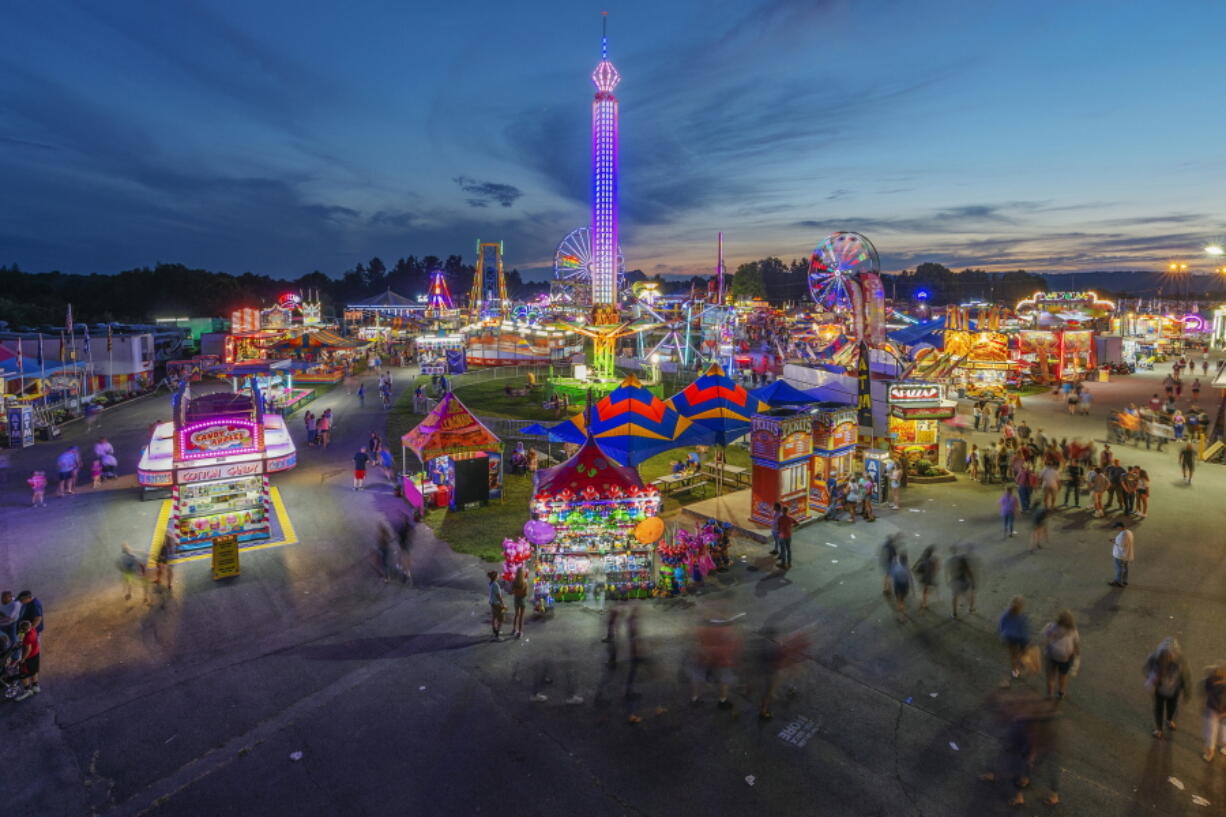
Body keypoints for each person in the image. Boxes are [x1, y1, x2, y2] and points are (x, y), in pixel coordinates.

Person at [1144, 637, 1190, 739]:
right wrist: (1152, 678)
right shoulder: (1153, 659)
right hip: (1159, 690)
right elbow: (1146, 669)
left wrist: (1186, 690)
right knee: (1159, 709)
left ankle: (1169, 720)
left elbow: (1184, 676)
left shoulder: (1179, 662)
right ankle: (1159, 729)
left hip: (1173, 691)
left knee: (1172, 707)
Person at [1041, 610, 1081, 700]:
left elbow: (1045, 638)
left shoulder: (1051, 626)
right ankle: (1061, 693)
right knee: (1063, 676)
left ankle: (1049, 694)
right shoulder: (1073, 631)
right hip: (1065, 658)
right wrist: (1077, 656)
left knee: (1050, 676)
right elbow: (1077, 645)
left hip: (1051, 654)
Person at [999, 596, 1031, 681]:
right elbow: (1026, 630)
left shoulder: (1006, 615)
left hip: (1010, 638)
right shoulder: (1022, 617)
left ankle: (1015, 672)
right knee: (1023, 653)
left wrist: (1003, 635)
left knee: (1013, 655)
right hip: (1022, 639)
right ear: (1021, 606)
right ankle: (1022, 664)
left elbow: (1002, 626)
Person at [11, 620, 39, 701]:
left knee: (23, 674)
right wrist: (22, 642)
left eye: (23, 630)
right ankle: (35, 686)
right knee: (34, 670)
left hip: (29, 657)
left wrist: (23, 659)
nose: (22, 631)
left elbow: (28, 649)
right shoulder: (33, 630)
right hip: (36, 654)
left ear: (26, 629)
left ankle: (27, 691)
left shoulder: (28, 637)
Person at [1203, 663, 1226, 761]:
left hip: (1212, 709)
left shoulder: (1209, 682)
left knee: (1211, 731)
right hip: (1224, 711)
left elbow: (1206, 690)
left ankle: (1210, 754)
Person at [948, 545, 977, 618]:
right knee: (967, 595)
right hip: (962, 581)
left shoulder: (949, 560)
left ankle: (954, 613)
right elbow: (968, 571)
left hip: (954, 581)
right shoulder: (961, 559)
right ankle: (971, 608)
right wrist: (973, 580)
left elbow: (948, 571)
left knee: (955, 597)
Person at [912, 545, 939, 611]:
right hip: (928, 576)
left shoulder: (925, 558)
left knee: (925, 589)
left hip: (925, 576)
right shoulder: (932, 560)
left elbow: (919, 564)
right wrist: (934, 573)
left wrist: (914, 568)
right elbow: (935, 567)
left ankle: (925, 603)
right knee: (926, 589)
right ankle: (925, 602)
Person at [1109, 520, 1134, 588]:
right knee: (1125, 568)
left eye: (1116, 527)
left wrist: (1113, 541)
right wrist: (1116, 539)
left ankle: (1118, 581)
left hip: (1120, 555)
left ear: (1120, 527)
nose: (1116, 529)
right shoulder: (1129, 532)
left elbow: (1121, 544)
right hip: (1126, 554)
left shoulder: (1123, 534)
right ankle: (1124, 581)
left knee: (1119, 568)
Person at [510, 567, 529, 638]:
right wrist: (522, 593)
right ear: (523, 574)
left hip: (516, 600)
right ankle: (520, 632)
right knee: (521, 616)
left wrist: (516, 592)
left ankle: (514, 629)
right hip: (522, 600)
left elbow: (512, 591)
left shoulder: (514, 581)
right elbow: (526, 594)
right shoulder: (525, 582)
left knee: (516, 615)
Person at [487, 571, 505, 641]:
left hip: (492, 603)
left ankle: (495, 631)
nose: (499, 575)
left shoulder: (491, 583)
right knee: (501, 619)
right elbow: (499, 596)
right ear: (495, 577)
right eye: (498, 575)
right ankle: (497, 635)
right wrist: (503, 604)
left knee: (494, 617)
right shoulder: (496, 585)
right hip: (497, 604)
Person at [776, 504, 794, 570]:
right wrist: (791, 528)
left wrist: (779, 532)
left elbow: (778, 527)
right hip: (788, 535)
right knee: (789, 550)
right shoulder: (790, 518)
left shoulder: (780, 518)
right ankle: (789, 563)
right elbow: (797, 523)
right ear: (788, 511)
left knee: (783, 550)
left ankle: (783, 564)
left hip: (782, 536)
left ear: (782, 511)